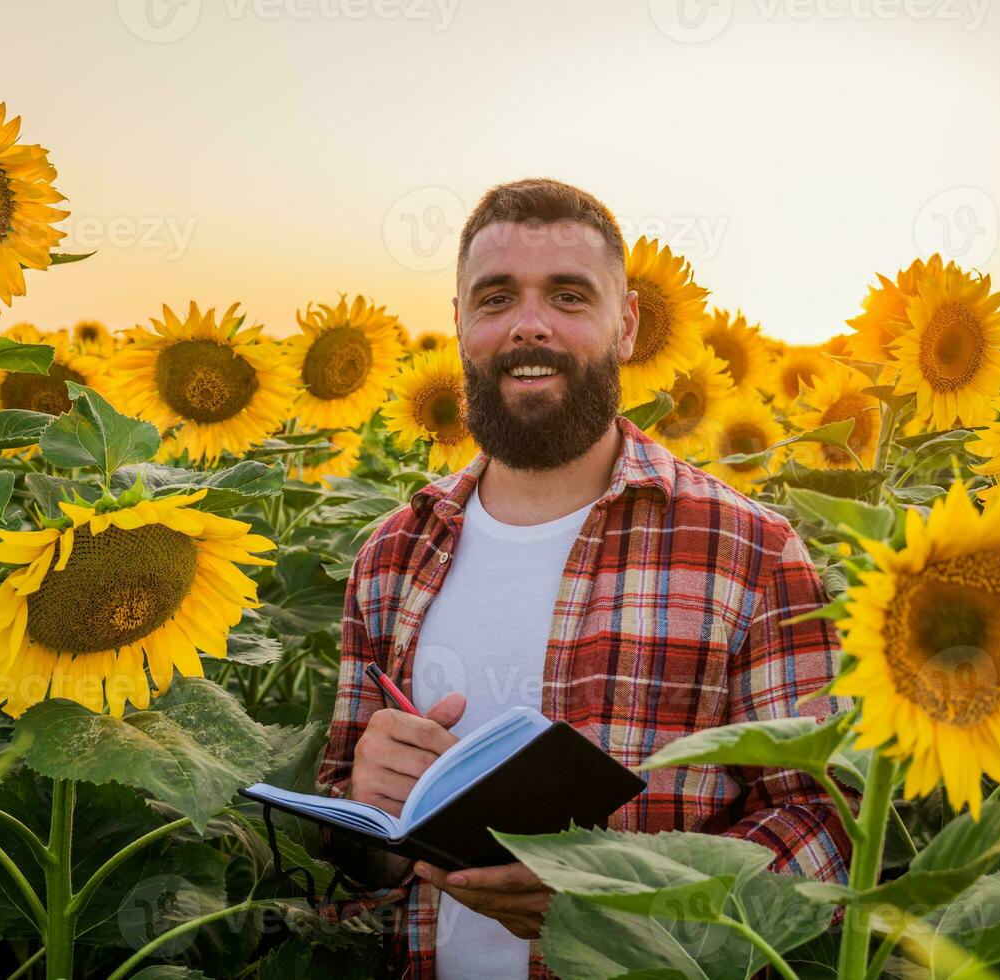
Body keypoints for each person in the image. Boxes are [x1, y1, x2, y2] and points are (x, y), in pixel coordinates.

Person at [316, 178, 855, 979]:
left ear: (627, 323)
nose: (529, 324)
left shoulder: (749, 550)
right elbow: (345, 848)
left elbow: (828, 822)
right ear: (460, 323)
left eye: (568, 296)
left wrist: (622, 908)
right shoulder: (392, 554)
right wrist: (368, 809)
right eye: (496, 298)